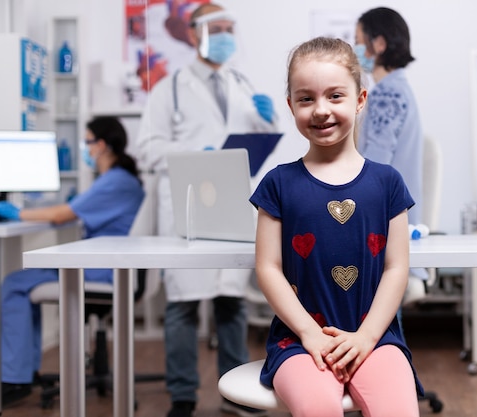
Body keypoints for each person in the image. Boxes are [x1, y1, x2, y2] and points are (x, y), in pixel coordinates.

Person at [249, 37, 422, 417]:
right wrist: (309, 333)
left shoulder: (388, 183)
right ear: (291, 104)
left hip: (376, 339)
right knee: (318, 407)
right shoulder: (277, 185)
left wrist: (367, 337)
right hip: (297, 340)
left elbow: (396, 267)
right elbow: (268, 268)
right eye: (306, 98)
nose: (321, 110)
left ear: (360, 100)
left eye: (335, 96)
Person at [136, 3, 276, 417]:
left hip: (233, 202)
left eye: (231, 27)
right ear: (195, 34)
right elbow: (147, 149)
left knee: (230, 303)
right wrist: (197, 155)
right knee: (182, 306)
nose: (227, 34)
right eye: (218, 28)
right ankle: (183, 396)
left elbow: (258, 144)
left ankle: (236, 394)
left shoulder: (242, 83)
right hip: (189, 206)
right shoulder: (169, 88)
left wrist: (267, 123)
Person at [0, 116, 144, 407]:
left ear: (101, 145)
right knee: (26, 281)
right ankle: (21, 372)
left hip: (104, 271)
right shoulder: (120, 179)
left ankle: (15, 378)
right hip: (109, 263)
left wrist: (14, 212)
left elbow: (60, 215)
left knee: (15, 283)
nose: (84, 148)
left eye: (86, 141)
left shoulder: (115, 181)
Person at [354, 7, 423, 227]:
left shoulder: (388, 94)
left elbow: (374, 166)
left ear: (379, 44)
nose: (355, 49)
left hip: (386, 226)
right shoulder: (398, 89)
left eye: (358, 41)